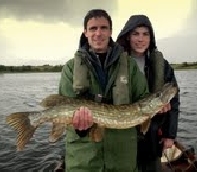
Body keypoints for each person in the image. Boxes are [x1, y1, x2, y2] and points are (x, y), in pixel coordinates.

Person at [58, 9, 150, 172]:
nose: (98, 33)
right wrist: (80, 127)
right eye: (93, 28)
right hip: (84, 161)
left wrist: (161, 107)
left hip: (122, 160)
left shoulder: (130, 66)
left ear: (111, 31)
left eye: (103, 28)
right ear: (85, 32)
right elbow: (63, 105)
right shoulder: (71, 68)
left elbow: (144, 98)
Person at [116, 15, 180, 172]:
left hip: (153, 134)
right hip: (122, 134)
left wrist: (170, 135)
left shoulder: (161, 65)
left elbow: (174, 101)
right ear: (128, 36)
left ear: (151, 38)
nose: (140, 39)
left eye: (145, 34)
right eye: (135, 34)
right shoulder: (115, 63)